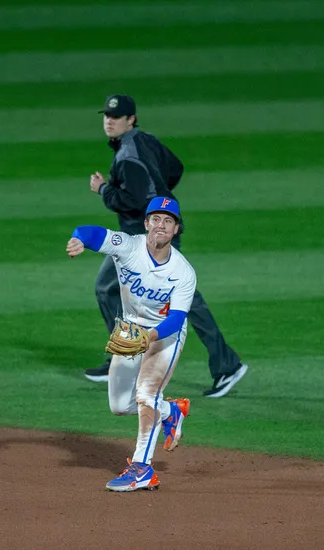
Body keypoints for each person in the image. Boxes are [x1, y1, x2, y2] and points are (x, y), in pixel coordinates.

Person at [84, 94, 248, 398]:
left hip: (145, 237)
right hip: (158, 229)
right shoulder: (144, 140)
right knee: (114, 289)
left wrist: (103, 189)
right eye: (106, 115)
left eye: (116, 117)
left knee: (177, 299)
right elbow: (176, 168)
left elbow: (133, 201)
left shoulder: (127, 156)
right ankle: (126, 356)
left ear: (130, 119)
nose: (109, 121)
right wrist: (163, 198)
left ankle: (226, 365)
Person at [66, 197, 194, 491]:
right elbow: (92, 232)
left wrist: (147, 339)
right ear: (146, 223)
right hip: (130, 329)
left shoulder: (183, 272)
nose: (161, 225)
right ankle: (169, 411)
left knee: (146, 394)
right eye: (156, 219)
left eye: (168, 221)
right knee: (120, 405)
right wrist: (78, 239)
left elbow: (175, 320)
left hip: (164, 336)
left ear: (175, 230)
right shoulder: (128, 246)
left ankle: (142, 469)